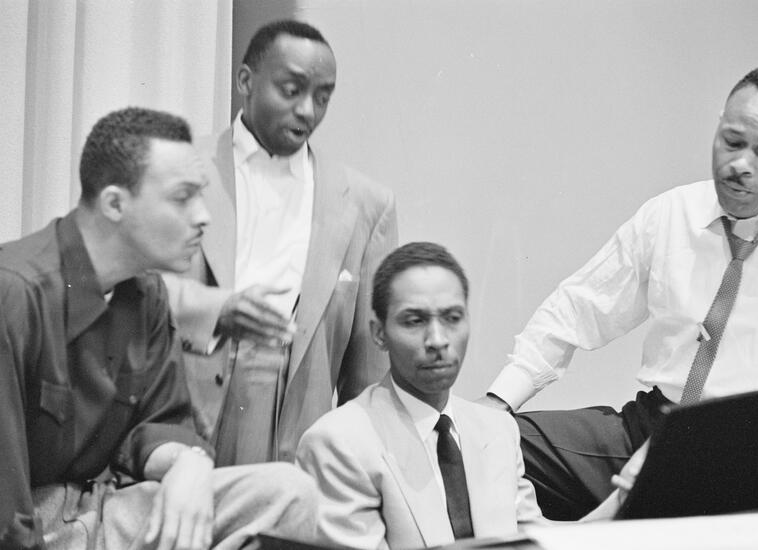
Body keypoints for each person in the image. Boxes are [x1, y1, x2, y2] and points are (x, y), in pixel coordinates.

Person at [482, 65, 758, 525]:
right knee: (485, 446)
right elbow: (577, 308)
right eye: (732, 141)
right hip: (657, 427)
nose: (740, 165)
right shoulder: (671, 214)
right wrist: (497, 405)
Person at [0, 107, 318, 549]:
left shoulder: (147, 294)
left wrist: (189, 464)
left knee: (290, 491)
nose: (203, 216)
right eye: (182, 197)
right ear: (115, 204)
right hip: (26, 524)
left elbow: (160, 423)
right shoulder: (14, 292)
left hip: (98, 511)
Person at [295, 242, 640, 550]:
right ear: (379, 334)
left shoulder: (497, 430)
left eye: (452, 318)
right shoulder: (338, 444)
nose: (437, 339)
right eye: (414, 321)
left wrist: (623, 500)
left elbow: (533, 541)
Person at [162, 19, 398, 466]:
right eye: (292, 90)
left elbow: (368, 370)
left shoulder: (366, 203)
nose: (308, 110)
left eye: (323, 97)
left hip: (298, 432)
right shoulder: (177, 169)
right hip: (181, 416)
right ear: (245, 81)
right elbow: (138, 300)